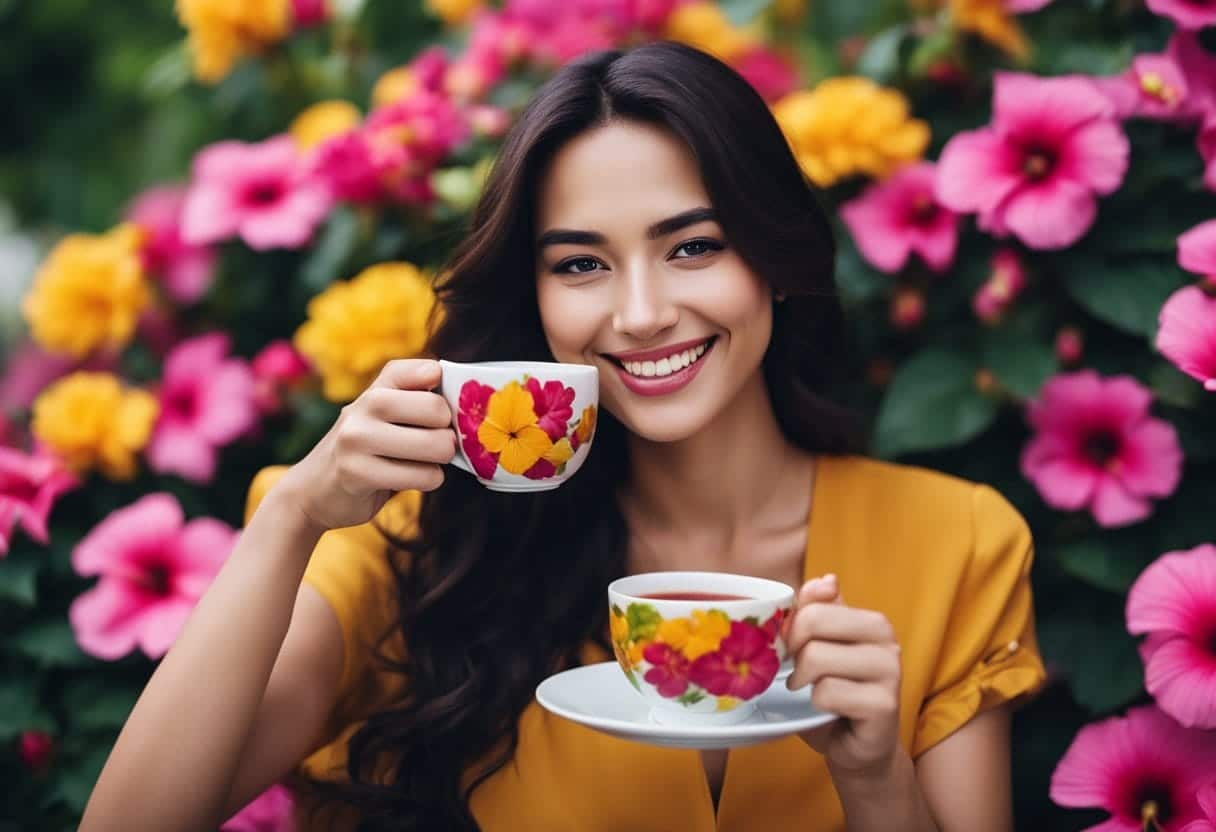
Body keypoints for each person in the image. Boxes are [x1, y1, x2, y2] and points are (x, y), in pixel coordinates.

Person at [79, 41, 1046, 832]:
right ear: (533, 298)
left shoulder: (957, 543)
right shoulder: (414, 542)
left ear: (778, 258)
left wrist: (875, 778)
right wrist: (293, 512)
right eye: (581, 264)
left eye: (694, 246)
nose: (639, 312)